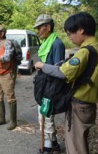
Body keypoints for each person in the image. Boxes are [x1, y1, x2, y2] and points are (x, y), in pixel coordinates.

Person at [35, 12, 98, 154]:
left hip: (80, 103)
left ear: (81, 29)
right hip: (89, 103)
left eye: (71, 33)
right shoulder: (97, 47)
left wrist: (42, 66)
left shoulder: (84, 52)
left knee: (75, 145)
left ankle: (50, 145)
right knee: (81, 140)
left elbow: (62, 72)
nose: (69, 37)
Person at [33, 14, 65, 153]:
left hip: (50, 86)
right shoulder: (46, 42)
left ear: (48, 27)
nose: (38, 31)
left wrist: (42, 66)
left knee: (46, 116)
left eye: (40, 27)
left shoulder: (57, 44)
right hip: (43, 83)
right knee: (42, 115)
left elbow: (58, 70)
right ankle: (55, 144)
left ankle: (48, 148)